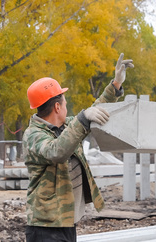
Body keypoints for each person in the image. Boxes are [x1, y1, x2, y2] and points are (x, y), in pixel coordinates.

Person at [23, 53, 134, 242]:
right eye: (65, 102)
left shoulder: (66, 127)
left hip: (65, 223)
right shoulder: (33, 135)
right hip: (45, 228)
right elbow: (57, 151)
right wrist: (83, 118)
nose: (67, 106)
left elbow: (93, 113)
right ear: (57, 107)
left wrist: (115, 85)